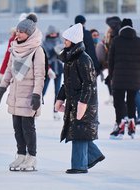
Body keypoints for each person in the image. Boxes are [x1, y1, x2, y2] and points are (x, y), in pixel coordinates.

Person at [0, 13, 45, 171]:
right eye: (17, 31)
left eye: (21, 32)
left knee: (28, 128)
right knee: (17, 128)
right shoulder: (14, 48)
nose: (18, 34)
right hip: (15, 95)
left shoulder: (37, 51)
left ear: (29, 34)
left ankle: (32, 157)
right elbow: (9, 70)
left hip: (29, 96)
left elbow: (39, 75)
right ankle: (21, 155)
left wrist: (36, 95)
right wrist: (2, 89)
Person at [55, 23, 104, 174]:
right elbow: (67, 83)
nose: (64, 42)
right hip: (73, 101)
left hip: (84, 102)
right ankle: (94, 155)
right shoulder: (70, 59)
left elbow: (89, 84)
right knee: (79, 131)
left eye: (66, 40)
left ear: (74, 40)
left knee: (79, 132)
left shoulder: (83, 59)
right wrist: (60, 99)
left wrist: (83, 103)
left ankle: (79, 166)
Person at [109, 18, 140, 139]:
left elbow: (111, 61)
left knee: (118, 102)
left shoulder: (116, 41)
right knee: (132, 101)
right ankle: (132, 124)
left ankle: (120, 125)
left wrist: (111, 77)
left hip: (118, 79)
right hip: (134, 79)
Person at [0, 13, 27, 84]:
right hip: (16, 72)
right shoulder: (13, 40)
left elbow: (39, 56)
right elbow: (7, 56)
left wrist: (47, 69)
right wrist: (1, 72)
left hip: (29, 74)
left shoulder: (33, 39)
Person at [42, 25, 64, 120]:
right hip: (49, 70)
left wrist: (60, 53)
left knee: (58, 91)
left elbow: (63, 55)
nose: (53, 34)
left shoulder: (60, 41)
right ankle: (35, 109)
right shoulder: (44, 43)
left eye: (55, 33)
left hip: (58, 69)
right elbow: (44, 57)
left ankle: (56, 111)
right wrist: (53, 51)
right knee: (43, 91)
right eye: (51, 33)